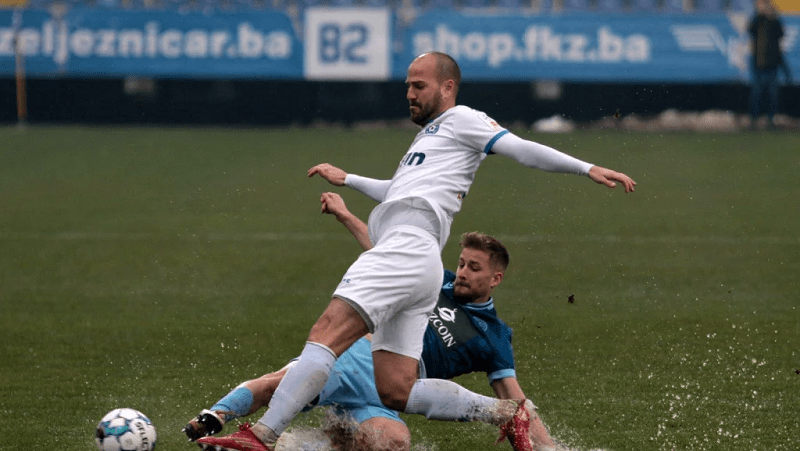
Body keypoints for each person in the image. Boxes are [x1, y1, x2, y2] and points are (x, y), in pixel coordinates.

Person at [196, 51, 636, 451]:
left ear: (447, 87)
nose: (409, 93)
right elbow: (398, 191)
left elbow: (519, 148)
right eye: (407, 85)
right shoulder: (433, 138)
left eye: (418, 85)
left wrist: (586, 168)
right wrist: (348, 179)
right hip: (420, 260)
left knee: (327, 332)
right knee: (396, 389)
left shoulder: (462, 118)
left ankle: (262, 435)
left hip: (405, 248)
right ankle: (503, 413)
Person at [186, 192, 556, 451]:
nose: (461, 273)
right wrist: (346, 215)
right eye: (461, 264)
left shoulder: (494, 338)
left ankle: (302, 444)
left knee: (393, 442)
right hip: (360, 357)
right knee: (282, 385)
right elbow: (382, 250)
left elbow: (516, 404)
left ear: (495, 279)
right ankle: (215, 416)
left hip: (391, 390)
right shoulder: (434, 280)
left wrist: (549, 448)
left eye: (473, 268)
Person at [748, 0, 792, 129]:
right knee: (756, 95)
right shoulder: (758, 21)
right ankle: (753, 121)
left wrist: (773, 16)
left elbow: (781, 33)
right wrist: (760, 14)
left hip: (772, 65)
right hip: (759, 65)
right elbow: (750, 29)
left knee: (772, 96)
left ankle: (770, 121)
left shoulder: (774, 23)